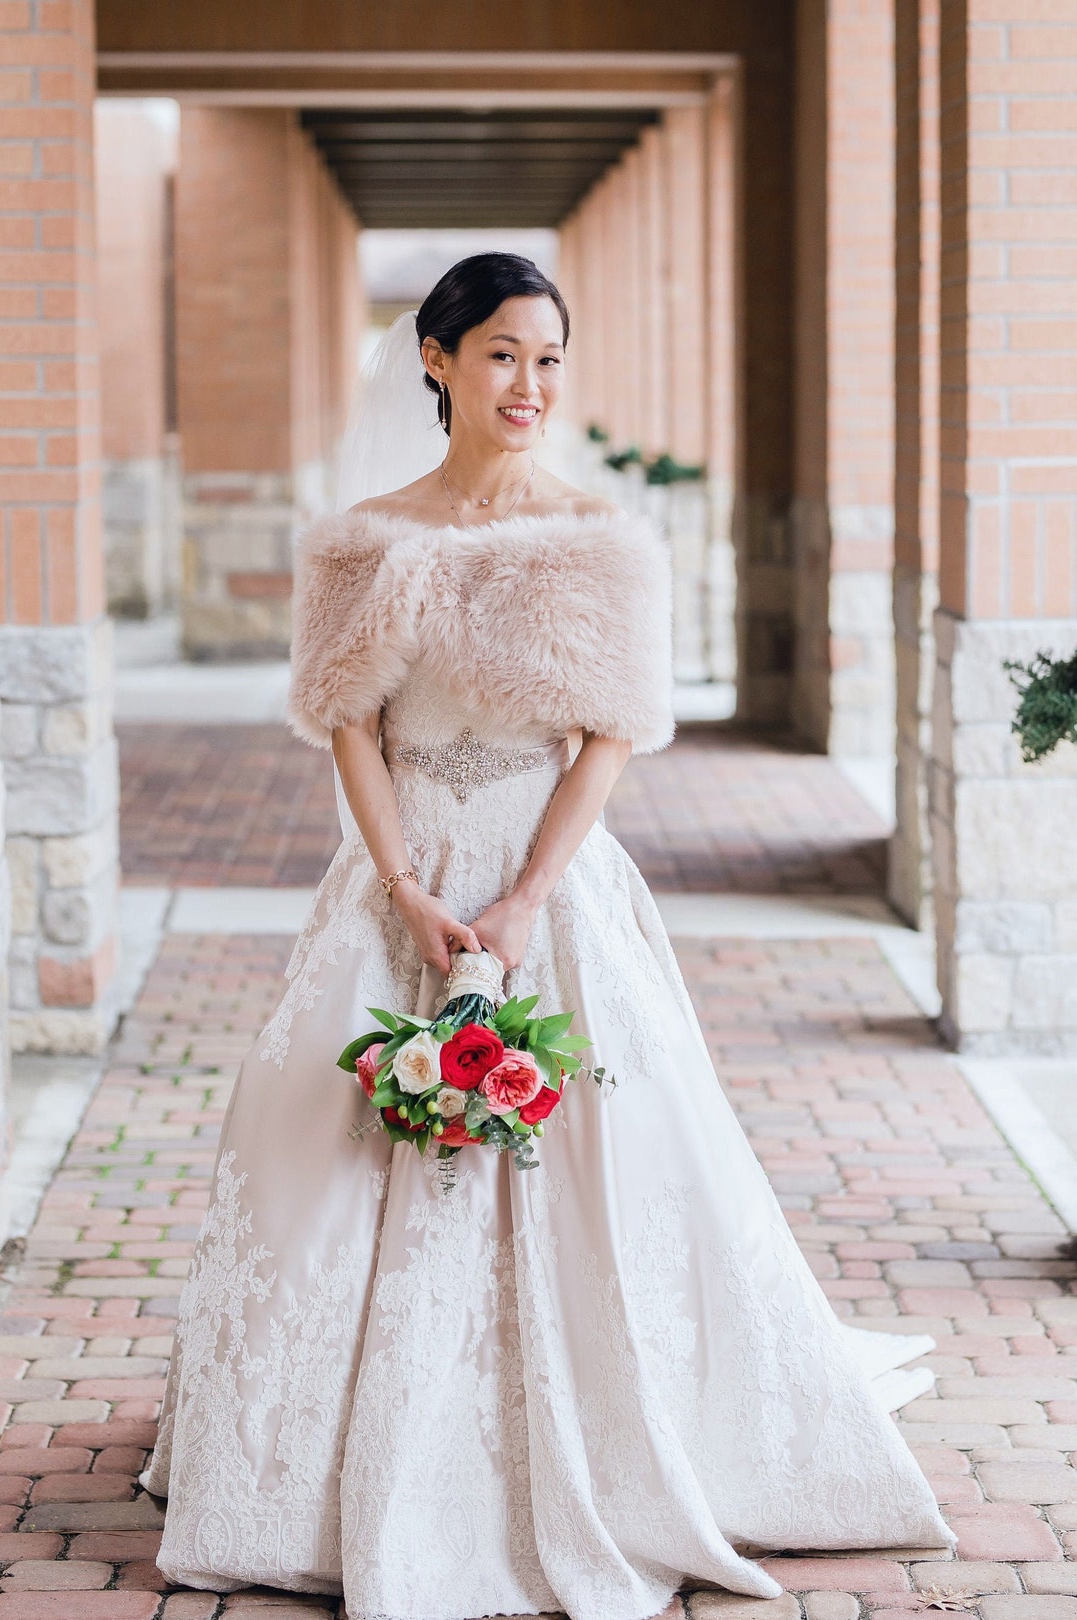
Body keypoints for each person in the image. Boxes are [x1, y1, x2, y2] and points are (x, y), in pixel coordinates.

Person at [143, 252, 954, 1619]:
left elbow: (611, 735)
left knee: (599, 1157)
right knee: (327, 1162)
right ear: (438, 359)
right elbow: (347, 715)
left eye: (550, 358)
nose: (530, 383)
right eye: (505, 353)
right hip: (402, 878)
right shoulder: (364, 534)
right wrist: (403, 885)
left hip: (549, 882)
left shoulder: (595, 536)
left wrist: (523, 901)